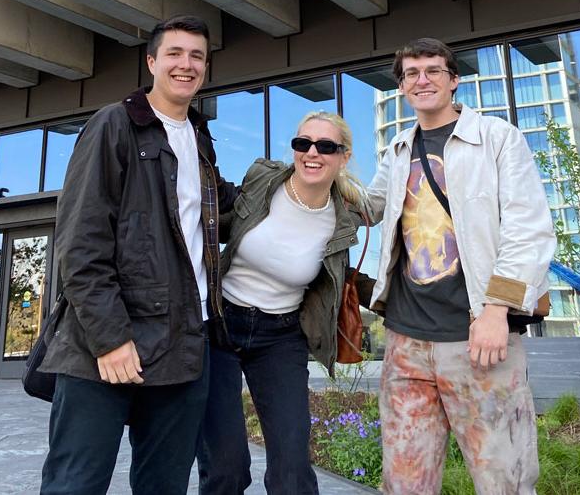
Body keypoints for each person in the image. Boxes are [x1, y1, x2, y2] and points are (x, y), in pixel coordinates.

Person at [40, 15, 235, 495]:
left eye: (196, 56)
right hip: (104, 348)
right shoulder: (114, 125)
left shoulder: (199, 139)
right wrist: (110, 339)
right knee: (76, 485)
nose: (185, 65)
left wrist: (312, 178)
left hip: (183, 346)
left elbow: (227, 213)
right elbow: (80, 242)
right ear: (152, 62)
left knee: (164, 485)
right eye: (174, 53)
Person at [364, 38, 556, 495]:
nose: (422, 79)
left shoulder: (496, 138)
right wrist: (318, 164)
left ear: (453, 80)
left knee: (503, 477)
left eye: (433, 70)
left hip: (477, 335)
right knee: (405, 480)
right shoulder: (398, 148)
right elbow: (371, 206)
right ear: (402, 87)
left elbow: (528, 229)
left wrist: (496, 310)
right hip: (405, 341)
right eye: (411, 73)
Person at [197, 111, 371, 495]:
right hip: (220, 325)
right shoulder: (262, 179)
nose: (312, 153)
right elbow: (210, 221)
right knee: (226, 467)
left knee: (292, 470)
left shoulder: (345, 219)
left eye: (326, 146)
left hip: (281, 337)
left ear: (343, 156)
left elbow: (348, 280)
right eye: (302, 143)